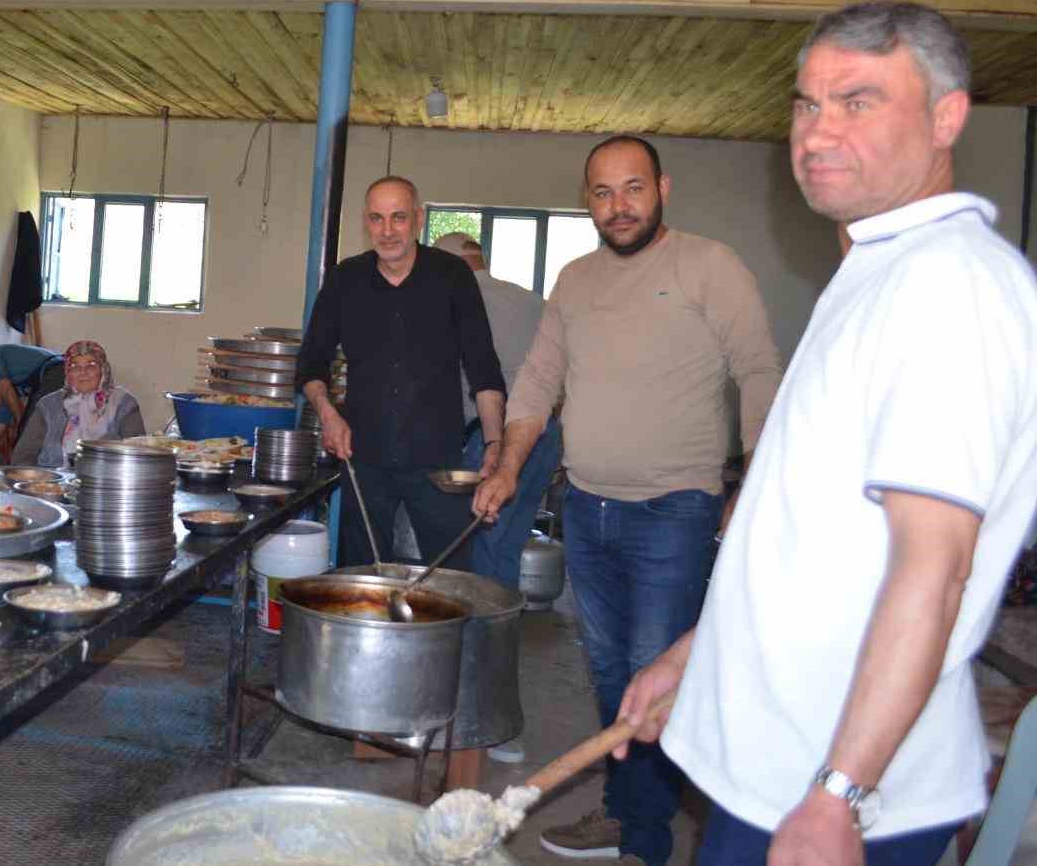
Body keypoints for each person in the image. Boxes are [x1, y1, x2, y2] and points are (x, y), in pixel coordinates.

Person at [619, 1, 1037, 866]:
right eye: (807, 104)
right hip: (783, 764)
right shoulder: (876, 269)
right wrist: (700, 650)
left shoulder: (947, 286)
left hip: (837, 792)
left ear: (946, 116)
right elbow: (817, 537)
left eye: (858, 100)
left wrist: (840, 792)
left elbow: (936, 564)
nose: (817, 130)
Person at [476, 135, 783, 865]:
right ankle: (636, 811)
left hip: (673, 511)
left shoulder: (710, 266)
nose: (619, 206)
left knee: (655, 670)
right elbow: (537, 382)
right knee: (612, 673)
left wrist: (755, 488)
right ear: (587, 200)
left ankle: (645, 835)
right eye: (603, 192)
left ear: (662, 188)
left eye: (633, 188)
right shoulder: (576, 280)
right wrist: (509, 464)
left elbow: (761, 374)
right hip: (586, 507)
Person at [298, 177, 506, 574]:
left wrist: (495, 441)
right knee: (360, 574)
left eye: (398, 218)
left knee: (450, 573)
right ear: (366, 222)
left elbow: (483, 368)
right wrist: (327, 412)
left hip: (438, 458)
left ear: (419, 219)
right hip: (364, 455)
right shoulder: (346, 279)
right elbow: (311, 362)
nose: (388, 231)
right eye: (377, 219)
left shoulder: (452, 277)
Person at [433, 231, 558, 766]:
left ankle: (485, 716)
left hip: (488, 444)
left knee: (478, 572)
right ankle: (487, 711)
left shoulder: (453, 298)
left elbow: (451, 385)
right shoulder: (534, 302)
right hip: (545, 441)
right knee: (501, 559)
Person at [12, 340, 145, 467]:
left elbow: (138, 452)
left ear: (103, 369)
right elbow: (23, 455)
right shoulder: (48, 404)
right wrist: (35, 481)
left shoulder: (123, 402)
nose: (83, 372)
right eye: (74, 366)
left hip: (106, 482)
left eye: (91, 365)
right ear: (67, 372)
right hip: (52, 482)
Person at [0, 343, 61, 453]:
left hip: (56, 370)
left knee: (31, 431)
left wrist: (21, 425)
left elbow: (6, 391)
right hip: (56, 373)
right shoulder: (12, 387)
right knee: (40, 430)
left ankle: (34, 467)